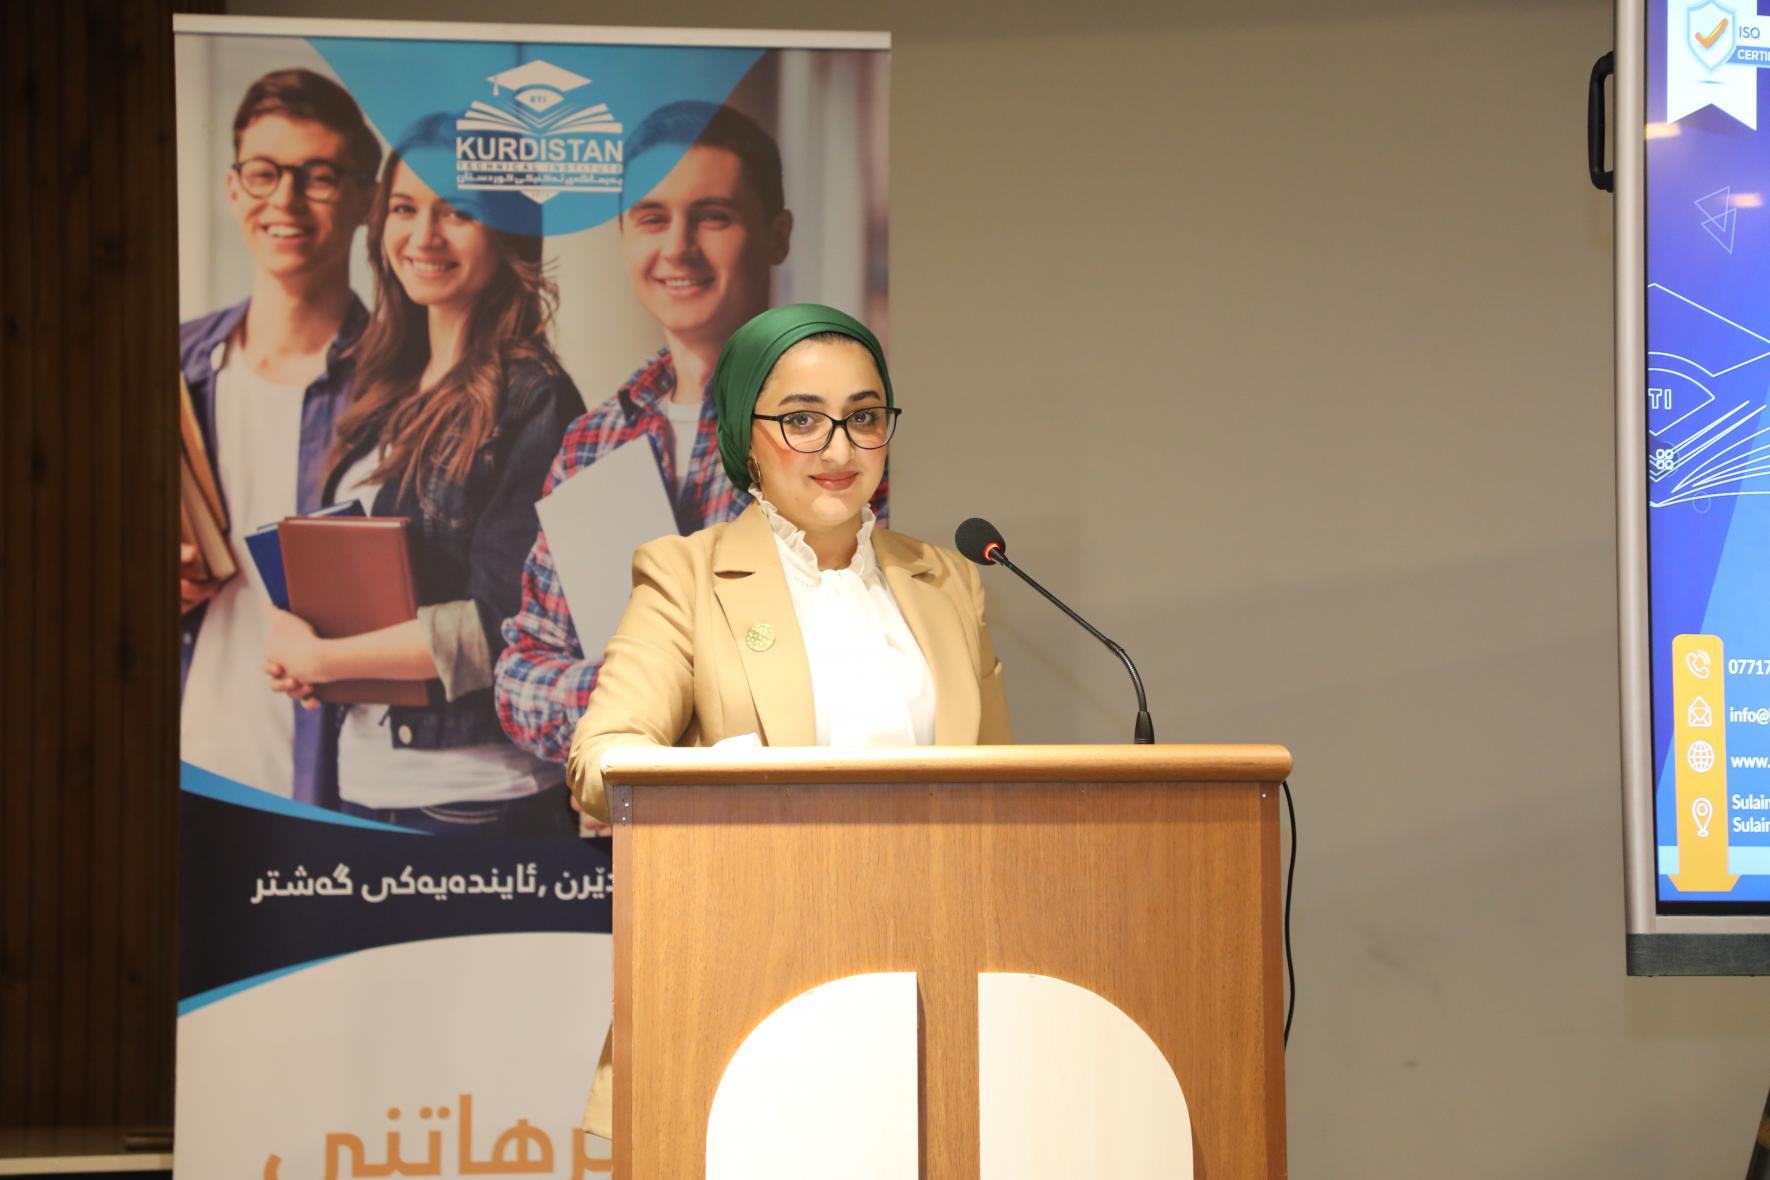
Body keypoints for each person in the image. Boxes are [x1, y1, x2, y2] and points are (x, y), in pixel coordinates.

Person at [565, 304, 1010, 1138]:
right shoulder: (686, 576)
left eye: (864, 418)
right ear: (746, 437)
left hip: (935, 985)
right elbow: (602, 762)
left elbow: (1005, 795)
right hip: (746, 979)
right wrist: (742, 778)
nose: (839, 450)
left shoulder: (948, 582)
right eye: (802, 420)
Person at [495, 102, 886, 771]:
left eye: (713, 216)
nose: (677, 247)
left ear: (777, 236)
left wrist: (631, 699)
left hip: (790, 817)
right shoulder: (592, 441)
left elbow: (848, 666)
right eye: (652, 218)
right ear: (624, 236)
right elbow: (520, 680)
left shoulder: (838, 431)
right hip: (627, 823)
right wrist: (671, 685)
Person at [261, 118, 582, 836]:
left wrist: (326, 658)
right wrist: (302, 644)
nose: (424, 236)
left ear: (508, 232)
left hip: (473, 799)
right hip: (363, 780)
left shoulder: (535, 397)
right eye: (405, 209)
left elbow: (505, 623)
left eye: (457, 212)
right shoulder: (386, 382)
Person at [179, 68, 380, 802]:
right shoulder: (169, 371)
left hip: (344, 788)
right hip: (186, 765)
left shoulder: (408, 384)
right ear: (234, 188)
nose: (285, 202)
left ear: (367, 200)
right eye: (264, 173)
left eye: (318, 176)